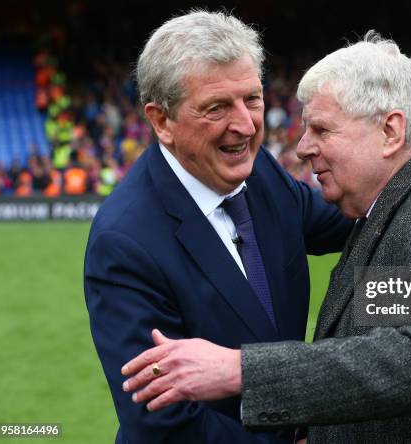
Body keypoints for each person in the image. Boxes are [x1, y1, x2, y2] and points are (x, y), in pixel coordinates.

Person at [122, 32, 411, 443]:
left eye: (321, 129)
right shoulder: (381, 212)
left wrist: (238, 370)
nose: (302, 148)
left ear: (391, 131)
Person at [83, 10, 352, 444]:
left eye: (252, 99)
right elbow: (163, 423)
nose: (245, 125)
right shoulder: (125, 243)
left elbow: (343, 217)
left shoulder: (257, 170)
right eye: (216, 108)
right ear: (162, 121)